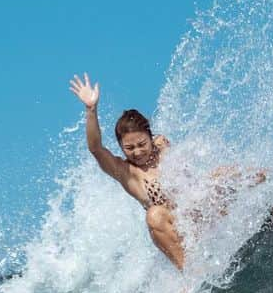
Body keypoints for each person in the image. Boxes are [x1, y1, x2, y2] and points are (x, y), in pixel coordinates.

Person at [69, 74, 186, 269]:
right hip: (173, 229)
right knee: (154, 215)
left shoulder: (162, 145)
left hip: (198, 216)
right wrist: (91, 109)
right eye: (129, 148)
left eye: (142, 144)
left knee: (222, 174)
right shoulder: (126, 172)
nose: (137, 152)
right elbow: (96, 148)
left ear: (151, 136)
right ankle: (188, 271)